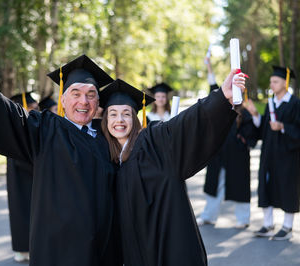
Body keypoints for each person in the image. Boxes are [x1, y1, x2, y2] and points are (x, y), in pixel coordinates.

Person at [0, 25, 122, 265]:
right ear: (62, 98)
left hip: (106, 250)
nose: (84, 101)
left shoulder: (109, 136)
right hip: (58, 251)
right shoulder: (45, 130)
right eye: (76, 93)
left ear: (98, 101)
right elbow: (4, 111)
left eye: (91, 94)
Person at [99, 72, 246, 266]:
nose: (120, 120)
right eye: (113, 114)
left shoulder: (153, 141)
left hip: (171, 247)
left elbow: (185, 124)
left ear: (135, 118)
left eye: (126, 113)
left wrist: (220, 97)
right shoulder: (108, 160)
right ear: (105, 120)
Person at [246, 66, 300, 240]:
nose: (271, 84)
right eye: (271, 82)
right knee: (266, 185)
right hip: (269, 153)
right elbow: (263, 130)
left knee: (287, 186)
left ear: (285, 82)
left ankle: (288, 226)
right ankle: (268, 224)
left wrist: (283, 127)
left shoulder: (297, 104)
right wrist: (254, 114)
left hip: (287, 155)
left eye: (275, 81)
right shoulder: (271, 103)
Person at [196, 61, 258, 229]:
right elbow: (212, 85)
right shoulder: (219, 105)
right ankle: (209, 215)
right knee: (214, 184)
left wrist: (255, 115)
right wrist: (208, 65)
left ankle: (243, 218)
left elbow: (254, 132)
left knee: (240, 185)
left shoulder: (245, 111)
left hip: (237, 155)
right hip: (218, 152)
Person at [7, 92, 38, 262]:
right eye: (31, 106)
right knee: (21, 213)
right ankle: (22, 249)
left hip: (28, 176)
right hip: (21, 176)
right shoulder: (18, 126)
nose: (34, 109)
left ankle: (26, 248)